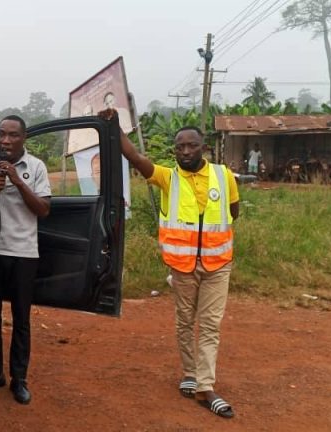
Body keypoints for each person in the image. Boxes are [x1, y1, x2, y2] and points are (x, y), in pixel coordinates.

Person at [99, 108, 239, 419]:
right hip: (182, 265)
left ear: (204, 147)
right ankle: (191, 374)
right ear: (174, 150)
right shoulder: (167, 177)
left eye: (192, 145)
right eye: (180, 146)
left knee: (211, 325)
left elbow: (234, 211)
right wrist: (115, 126)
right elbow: (135, 156)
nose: (185, 151)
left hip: (218, 265)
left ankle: (205, 386)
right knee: (185, 322)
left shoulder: (223, 175)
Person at [0, 115, 51, 405]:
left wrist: (17, 180)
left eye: (12, 135)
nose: (5, 141)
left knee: (21, 319)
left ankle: (19, 379)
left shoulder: (37, 167)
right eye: (1, 134)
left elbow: (43, 209)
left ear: (24, 138)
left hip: (23, 253)